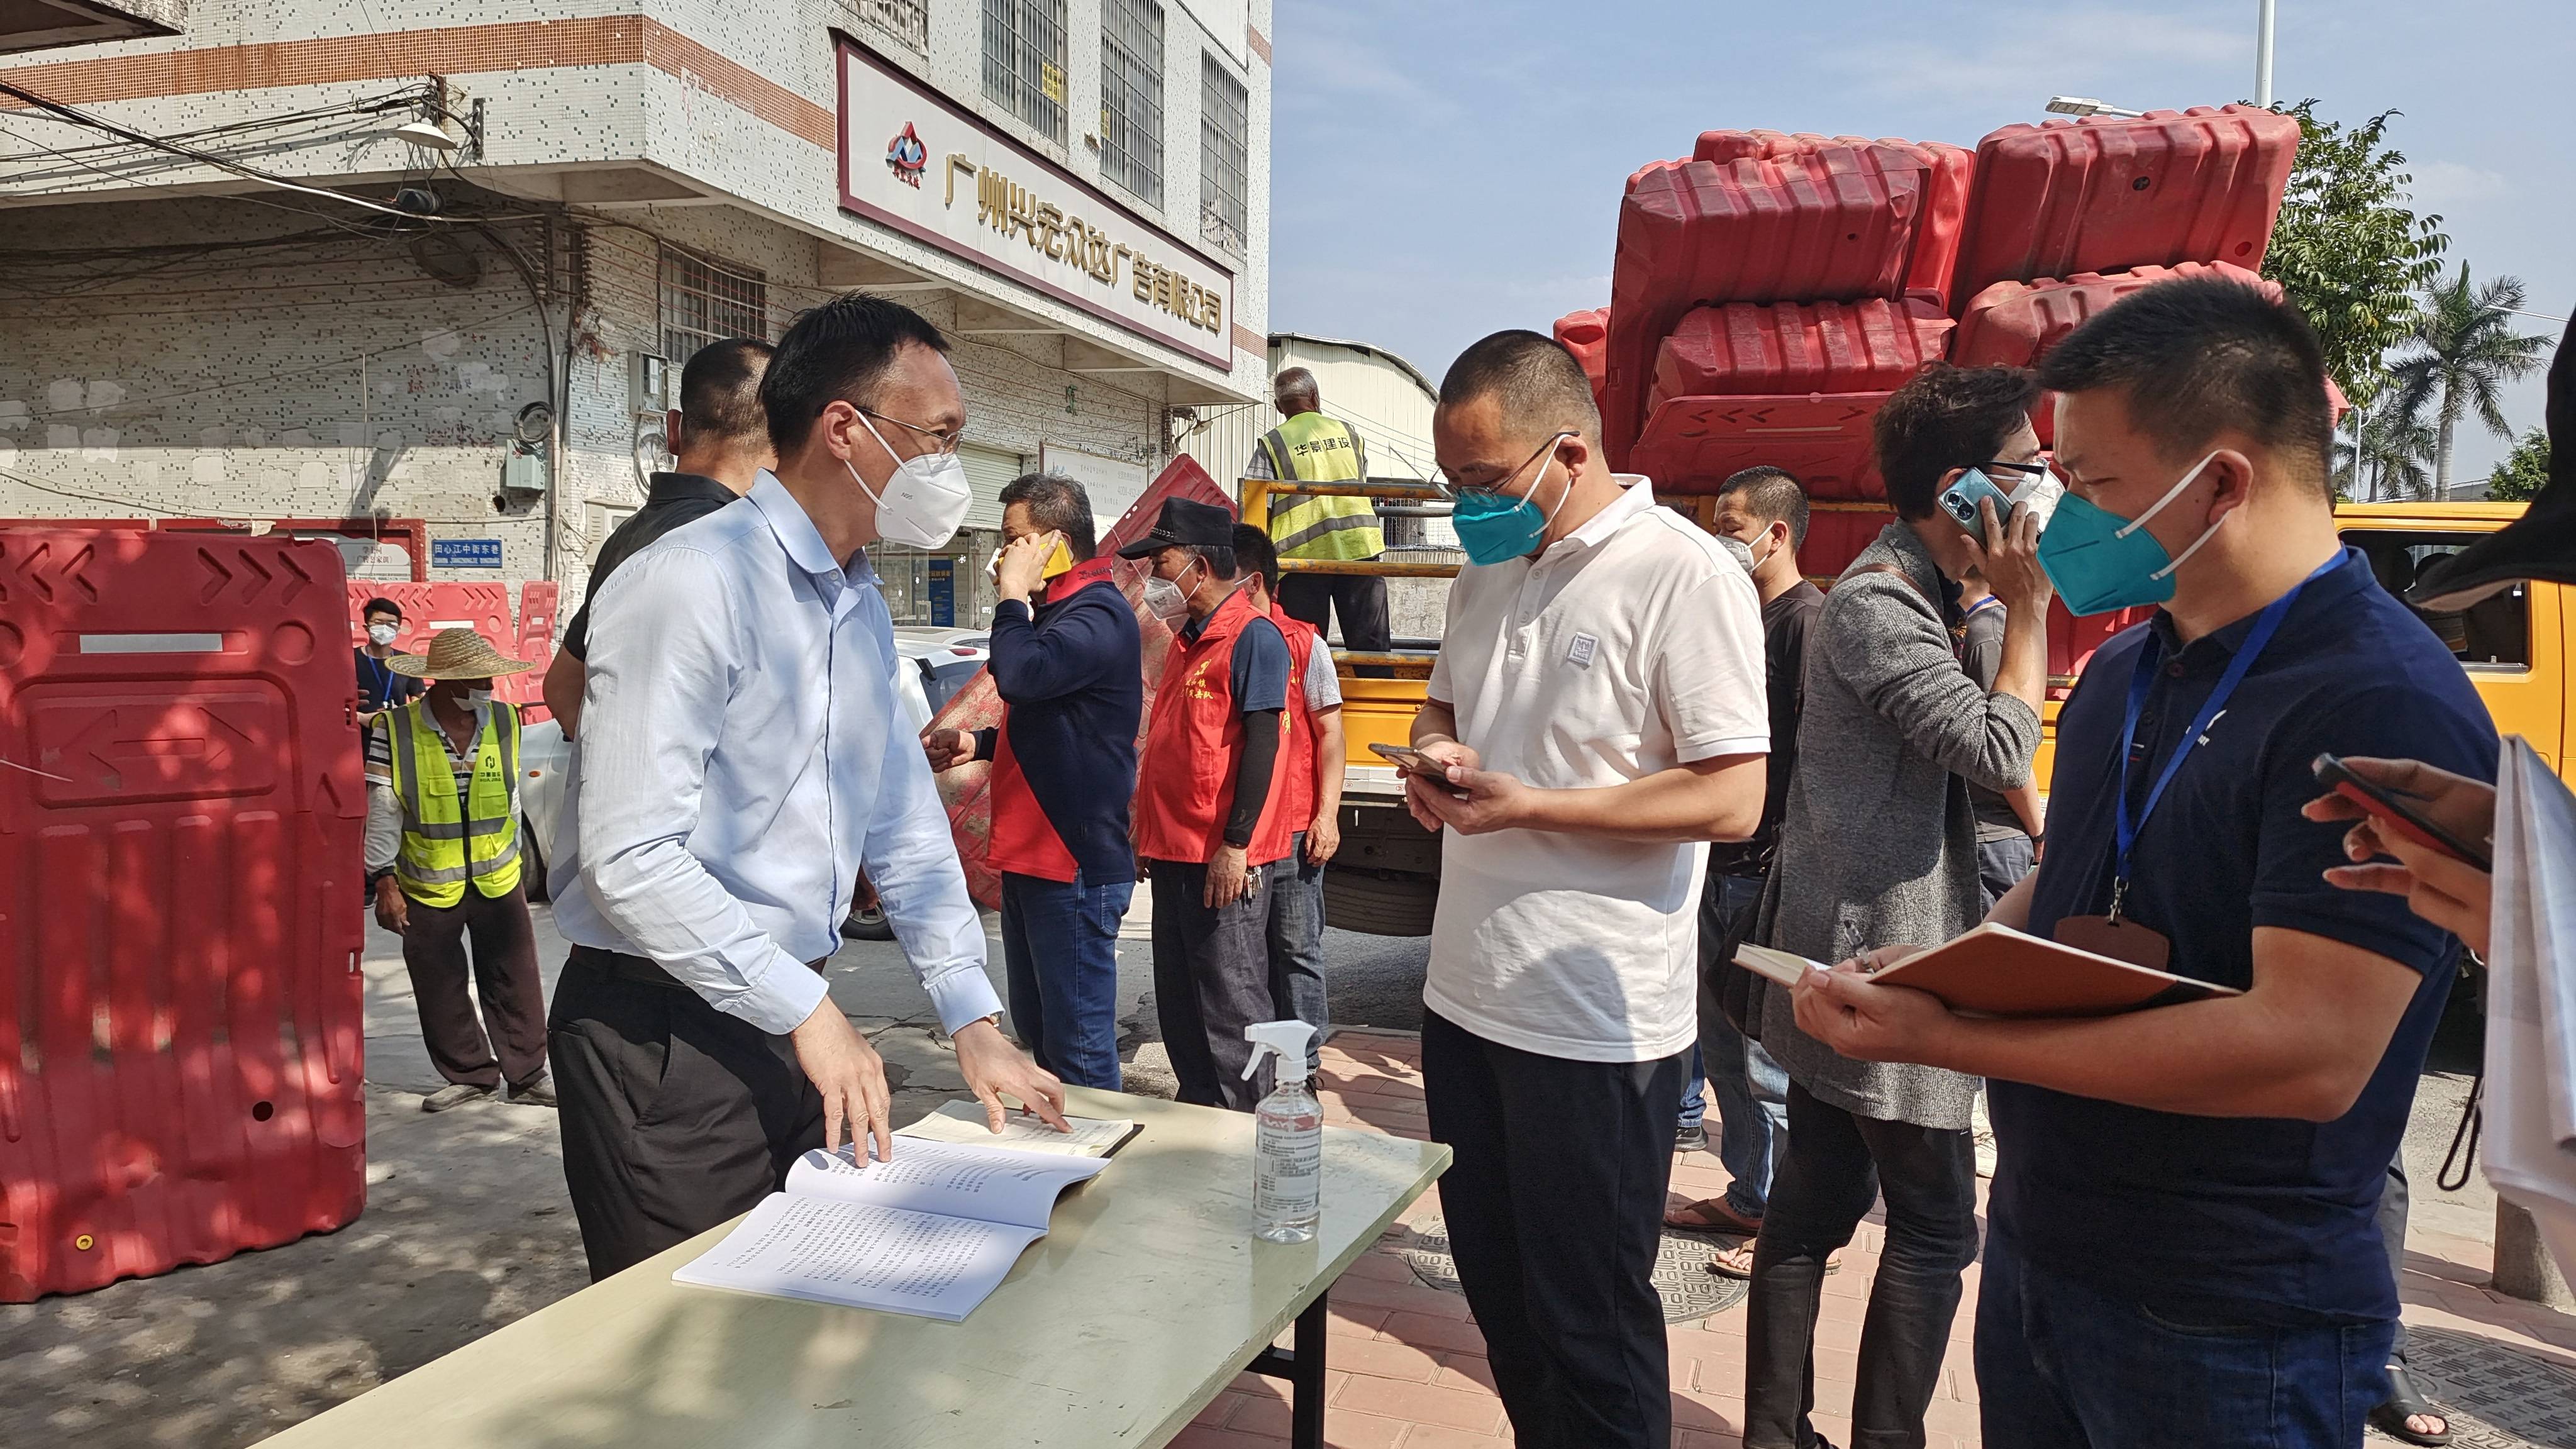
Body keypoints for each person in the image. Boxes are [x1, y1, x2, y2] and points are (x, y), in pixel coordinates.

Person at [1791, 277, 2499, 1448]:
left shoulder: (2377, 700)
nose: (2055, 518)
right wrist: (1946, 967)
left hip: (2229, 1312)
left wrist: (1948, 1038)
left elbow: (2307, 1052)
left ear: (2220, 481)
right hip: (2043, 1255)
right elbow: (2068, 879)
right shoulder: (2129, 666)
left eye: (2091, 485)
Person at [546, 293, 1067, 1282]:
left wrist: (973, 1019)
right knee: (690, 1346)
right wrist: (808, 1014)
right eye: (939, 439)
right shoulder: (690, 582)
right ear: (844, 429)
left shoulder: (855, 600)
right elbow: (630, 859)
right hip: (666, 1034)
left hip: (785, 1015)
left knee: (799, 1319)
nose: (951, 472)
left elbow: (903, 830)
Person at [1409, 330, 1769, 1448]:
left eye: (1481, 481)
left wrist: (1535, 805)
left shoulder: (1682, 571)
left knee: (1591, 1318)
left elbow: (1732, 796)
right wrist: (1433, 765)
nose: (1466, 505)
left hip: (1595, 1023)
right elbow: (1442, 710)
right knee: (1503, 1301)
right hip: (1466, 996)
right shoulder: (1483, 573)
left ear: (1567, 451)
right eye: (1451, 482)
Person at [1741, 362, 2053, 1449]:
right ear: (1964, 489)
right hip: (1877, 960)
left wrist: (1987, 604)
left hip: (1857, 945)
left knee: (1812, 1208)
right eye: (2030, 469)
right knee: (1932, 1224)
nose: (2046, 488)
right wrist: (2028, 607)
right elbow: (1999, 745)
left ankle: (1776, 1432)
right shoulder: (1877, 600)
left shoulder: (1918, 589)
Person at [923, 472, 1141, 1091]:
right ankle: (1054, 1168)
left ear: (1058, 542)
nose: (1003, 556)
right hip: (1031, 863)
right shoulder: (1061, 614)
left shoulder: (1096, 613)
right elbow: (1055, 719)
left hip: (1068, 865)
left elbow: (1019, 676)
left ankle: (1101, 1170)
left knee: (1078, 1055)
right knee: (1042, 1041)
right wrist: (978, 743)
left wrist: (1012, 598)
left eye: (1015, 540)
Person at [1662, 466, 1824, 1279]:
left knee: (1769, 1058)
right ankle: (1750, 1195)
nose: (1720, 538)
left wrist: (1789, 871)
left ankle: (1799, 1227)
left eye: (1731, 524)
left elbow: (1812, 762)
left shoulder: (1805, 622)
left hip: (1767, 874)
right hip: (1715, 865)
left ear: (1776, 533)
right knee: (1724, 1048)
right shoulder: (1735, 617)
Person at [1119, 497, 1296, 1111]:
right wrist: (1146, 834)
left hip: (1222, 860)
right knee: (1182, 1004)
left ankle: (1250, 1126)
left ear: (1199, 563)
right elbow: (1170, 745)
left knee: (1231, 1005)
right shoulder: (1185, 642)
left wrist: (1237, 845)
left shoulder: (1252, 638)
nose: (1155, 579)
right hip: (1174, 854)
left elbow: (1264, 743)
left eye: (1162, 563)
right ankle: (1202, 1120)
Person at [541, 338, 775, 736]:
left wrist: (614, 758)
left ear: (672, 430)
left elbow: (562, 688)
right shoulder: (751, 546)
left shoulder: (626, 539)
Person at [364, 628, 555, 1112]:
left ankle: (528, 1074)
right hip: (427, 882)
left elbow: (511, 801)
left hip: (498, 876)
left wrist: (514, 859)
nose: (489, 684)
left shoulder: (505, 722)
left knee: (515, 978)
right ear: (446, 683)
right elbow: (384, 808)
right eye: (480, 677)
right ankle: (469, 1074)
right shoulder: (397, 728)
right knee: (438, 981)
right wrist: (383, 879)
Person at [1233, 521, 1347, 1075]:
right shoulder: (1214, 640)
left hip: (1297, 829)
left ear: (1253, 581)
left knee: (1298, 952)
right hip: (1243, 833)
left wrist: (1327, 816)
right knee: (1246, 960)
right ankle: (1258, 1067)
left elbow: (1330, 734)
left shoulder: (1305, 643)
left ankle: (1304, 1070)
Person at [1245, 367, 1393, 675]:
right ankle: (1382, 709)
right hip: (1360, 552)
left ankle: (1305, 718)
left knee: (1305, 649)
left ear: (1278, 407)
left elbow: (1255, 508)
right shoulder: (1349, 434)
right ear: (1315, 397)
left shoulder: (1273, 443)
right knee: (1371, 648)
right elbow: (1360, 479)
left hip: (1301, 563)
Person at [1954, 570, 2048, 909]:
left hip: (1984, 833)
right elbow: (2008, 754)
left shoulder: (1976, 631)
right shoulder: (1993, 634)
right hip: (1995, 838)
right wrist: (2039, 830)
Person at [354, 596, 423, 731]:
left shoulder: (406, 661)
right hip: (360, 732)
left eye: (391, 624)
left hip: (396, 731)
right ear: (366, 627)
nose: (385, 628)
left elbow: (419, 700)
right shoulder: (351, 659)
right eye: (379, 623)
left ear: (398, 629)